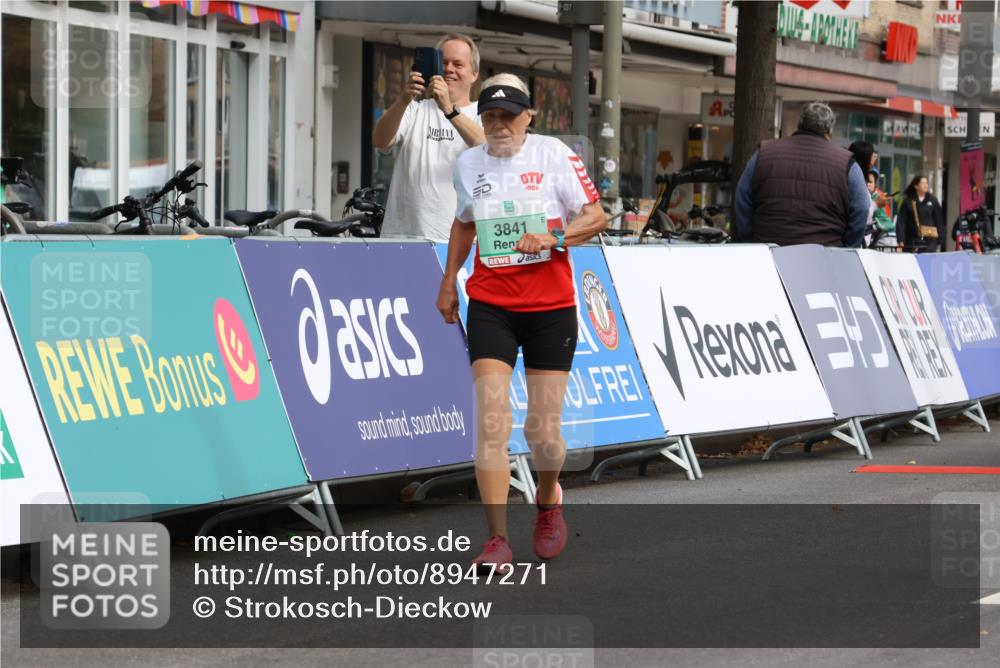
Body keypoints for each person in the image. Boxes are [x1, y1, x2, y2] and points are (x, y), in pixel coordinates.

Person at [435, 73, 607, 571]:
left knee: (543, 433)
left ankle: (549, 497)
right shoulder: (468, 163)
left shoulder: (554, 155)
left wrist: (553, 236)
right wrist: (449, 279)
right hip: (491, 303)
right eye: (489, 115)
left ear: (528, 116)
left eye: (508, 116)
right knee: (491, 421)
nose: (498, 125)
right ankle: (496, 539)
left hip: (550, 308)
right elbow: (465, 222)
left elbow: (596, 216)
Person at [372, 34, 485, 241]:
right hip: (404, 236)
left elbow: (486, 145)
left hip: (457, 242)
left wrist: (448, 109)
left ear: (474, 74)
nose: (449, 69)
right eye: (443, 63)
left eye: (458, 64)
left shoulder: (483, 114)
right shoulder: (415, 109)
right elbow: (380, 141)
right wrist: (404, 98)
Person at [734, 102, 870, 247]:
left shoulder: (764, 154)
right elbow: (861, 208)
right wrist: (848, 248)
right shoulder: (847, 164)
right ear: (829, 131)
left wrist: (749, 240)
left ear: (800, 124)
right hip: (825, 256)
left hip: (769, 255)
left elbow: (742, 198)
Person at [895, 174, 946, 252]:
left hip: (930, 240)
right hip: (911, 240)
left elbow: (939, 219)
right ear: (916, 186)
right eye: (922, 183)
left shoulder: (932, 200)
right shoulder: (908, 201)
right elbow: (901, 221)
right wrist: (900, 239)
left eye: (926, 183)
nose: (925, 185)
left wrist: (940, 238)